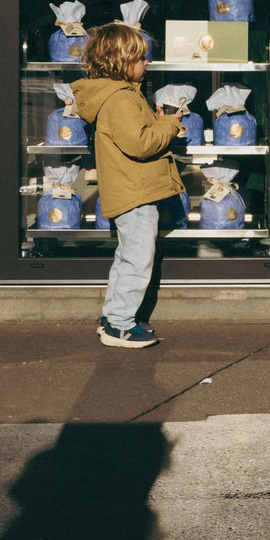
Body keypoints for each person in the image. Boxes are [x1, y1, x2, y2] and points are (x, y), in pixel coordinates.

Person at [70, 22, 186, 349]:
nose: (146, 63)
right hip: (135, 194)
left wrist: (158, 119)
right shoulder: (121, 99)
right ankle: (120, 326)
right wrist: (168, 125)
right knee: (137, 259)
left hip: (130, 190)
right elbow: (141, 143)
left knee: (127, 258)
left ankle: (113, 316)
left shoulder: (121, 96)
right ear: (122, 62)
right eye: (141, 58)